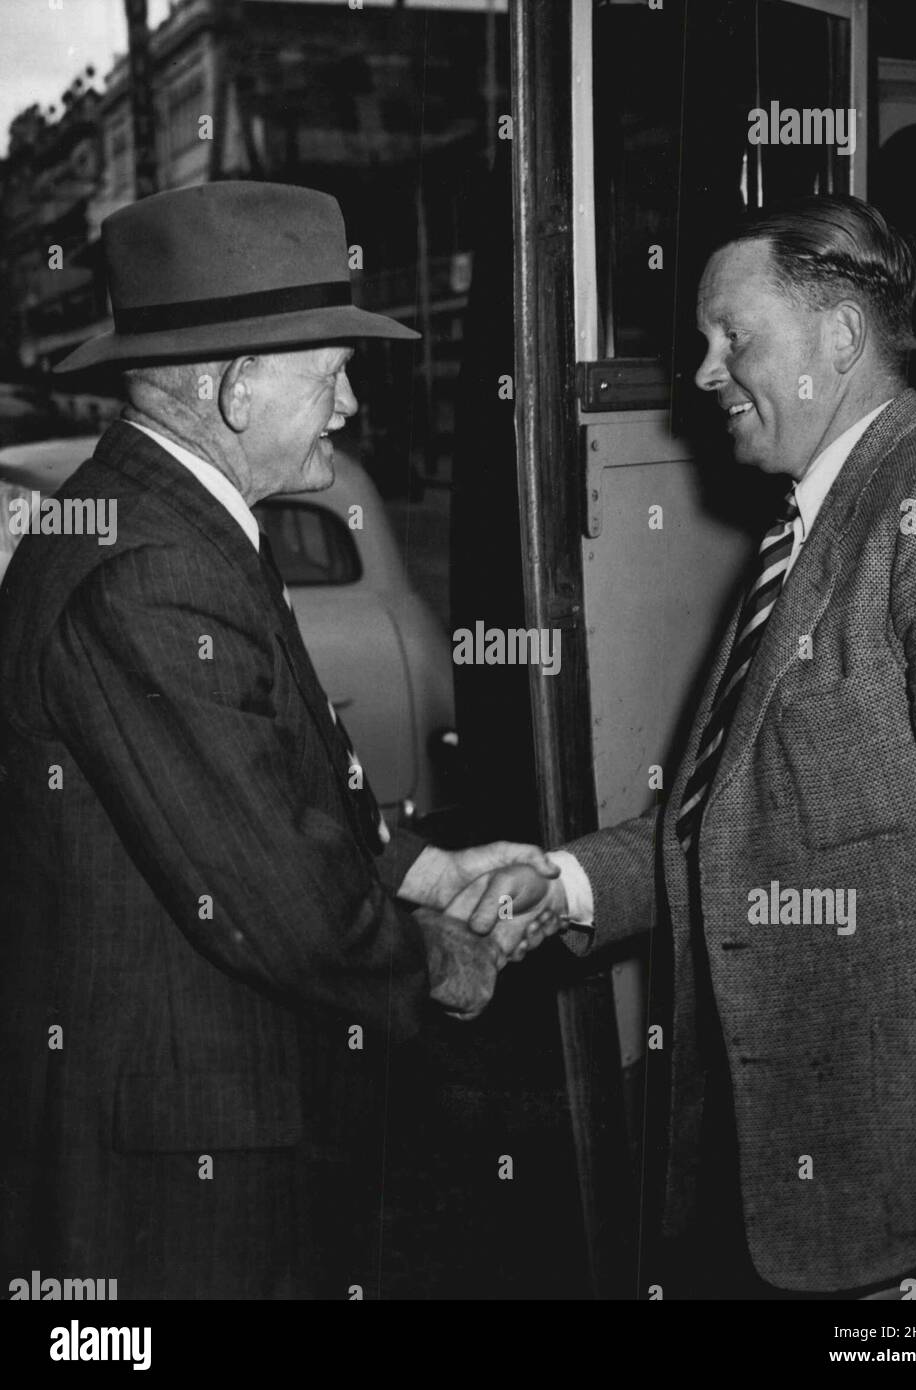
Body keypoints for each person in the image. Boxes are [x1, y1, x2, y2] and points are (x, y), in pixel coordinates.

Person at [0, 181, 559, 1300]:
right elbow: (281, 900)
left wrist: (427, 868)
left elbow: (286, 787)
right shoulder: (155, 572)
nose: (350, 404)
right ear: (238, 388)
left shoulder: (172, 523)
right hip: (176, 1178)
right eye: (331, 372)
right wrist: (453, 956)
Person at [468, 196, 916, 1298]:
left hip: (914, 1207)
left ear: (841, 340)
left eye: (734, 338)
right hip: (784, 1180)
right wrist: (562, 881)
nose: (707, 371)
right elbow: (734, 826)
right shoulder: (810, 524)